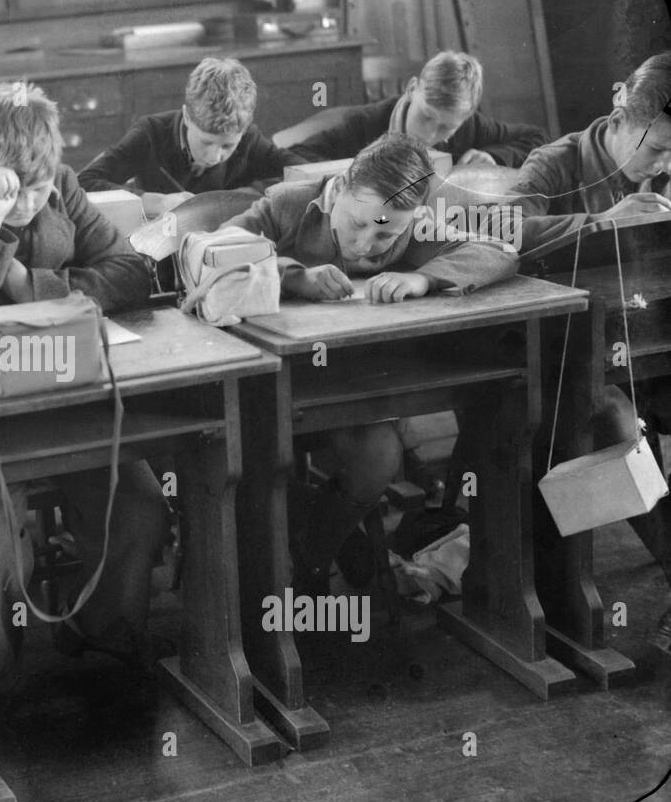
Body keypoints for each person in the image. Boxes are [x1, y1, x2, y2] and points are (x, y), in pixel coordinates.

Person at [0, 83, 169, 688]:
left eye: (39, 190)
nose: (27, 204)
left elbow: (131, 272)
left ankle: (97, 630)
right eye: (8, 190)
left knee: (141, 510)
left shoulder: (65, 186)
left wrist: (31, 284)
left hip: (69, 397)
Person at [229, 133, 518, 586]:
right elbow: (215, 251)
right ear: (340, 188)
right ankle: (296, 558)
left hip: (359, 387)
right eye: (357, 223)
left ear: (416, 217)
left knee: (379, 457)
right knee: (263, 464)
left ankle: (311, 558)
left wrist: (424, 278)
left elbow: (498, 252)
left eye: (387, 232)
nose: (366, 244)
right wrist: (292, 275)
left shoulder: (418, 228)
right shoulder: (288, 205)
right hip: (275, 385)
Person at [510, 51, 671, 651]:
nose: (664, 164)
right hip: (575, 359)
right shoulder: (555, 165)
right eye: (654, 151)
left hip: (655, 348)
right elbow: (505, 232)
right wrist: (602, 223)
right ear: (617, 109)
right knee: (612, 421)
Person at [78, 56, 303, 218]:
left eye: (227, 146)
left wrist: (245, 195)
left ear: (242, 132)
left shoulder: (249, 139)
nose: (215, 157)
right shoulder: (151, 133)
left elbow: (304, 173)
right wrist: (156, 202)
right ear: (187, 116)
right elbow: (85, 182)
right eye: (206, 142)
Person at [285, 51, 547, 168]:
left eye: (446, 127)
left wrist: (495, 157)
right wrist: (354, 172)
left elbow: (538, 138)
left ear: (465, 117)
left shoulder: (471, 126)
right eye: (426, 116)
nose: (431, 134)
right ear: (412, 89)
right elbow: (298, 154)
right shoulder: (364, 123)